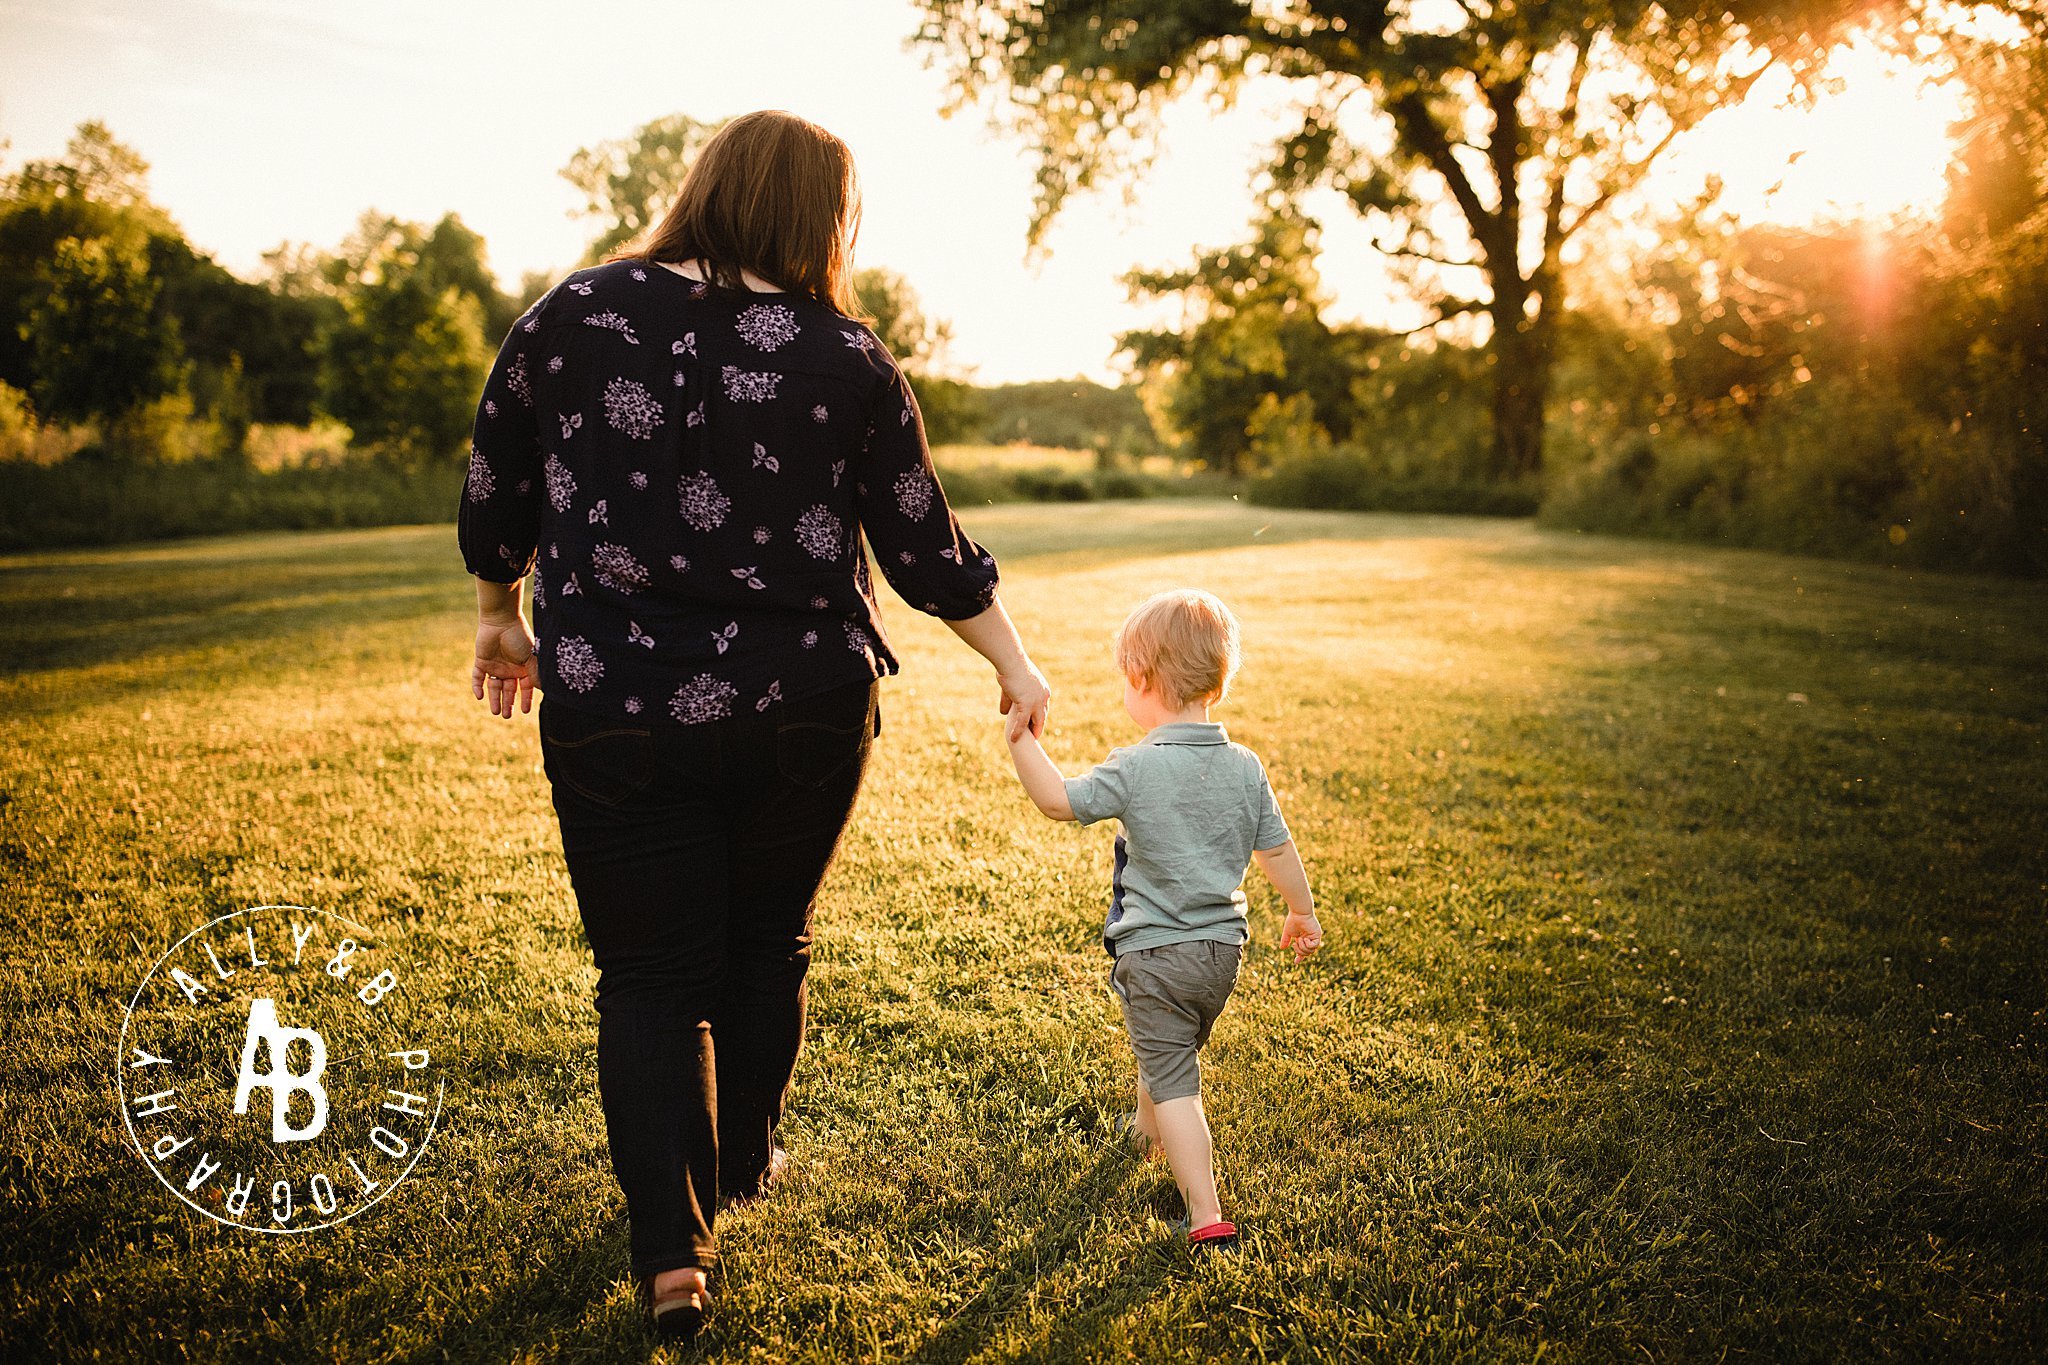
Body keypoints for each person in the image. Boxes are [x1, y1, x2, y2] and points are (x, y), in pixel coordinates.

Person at [457, 110, 1051, 1339]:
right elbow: (921, 539)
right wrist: (1014, 664)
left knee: (648, 974)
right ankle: (739, 1165)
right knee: (765, 943)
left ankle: (672, 1253)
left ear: (706, 185)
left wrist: (497, 614)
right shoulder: (845, 356)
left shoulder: (567, 317)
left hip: (612, 700)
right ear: (819, 215)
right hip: (804, 704)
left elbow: (496, 482)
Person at [1002, 588, 1320, 1248]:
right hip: (1221, 954)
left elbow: (1060, 802)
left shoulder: (1137, 764)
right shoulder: (1244, 765)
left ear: (1142, 679)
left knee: (1178, 1081)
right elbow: (1278, 847)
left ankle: (1205, 1212)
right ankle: (1146, 1132)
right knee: (1169, 1047)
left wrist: (1020, 743)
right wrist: (1301, 908)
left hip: (1155, 956)